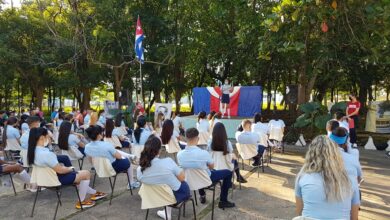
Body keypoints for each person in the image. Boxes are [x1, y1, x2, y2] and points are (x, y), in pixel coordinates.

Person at [28, 127, 106, 209]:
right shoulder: (46, 154)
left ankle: (94, 193)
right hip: (55, 180)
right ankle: (81, 202)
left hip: (43, 180)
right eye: (48, 137)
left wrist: (66, 169)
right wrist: (70, 168)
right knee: (86, 174)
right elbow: (61, 171)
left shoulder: (33, 151)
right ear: (42, 138)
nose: (50, 139)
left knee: (79, 175)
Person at [295, 135, 359, 219]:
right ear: (336, 154)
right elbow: (354, 218)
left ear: (310, 154)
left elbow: (300, 212)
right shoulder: (350, 180)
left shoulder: (302, 177)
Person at [178, 128, 235, 208]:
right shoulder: (203, 153)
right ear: (198, 138)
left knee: (200, 171)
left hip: (190, 182)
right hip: (206, 180)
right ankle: (223, 201)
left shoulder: (180, 155)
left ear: (186, 138)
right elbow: (212, 167)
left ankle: (202, 195)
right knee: (228, 172)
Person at [137, 135, 190, 220]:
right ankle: (167, 213)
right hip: (176, 196)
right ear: (159, 150)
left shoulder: (139, 170)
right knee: (173, 180)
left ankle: (167, 214)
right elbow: (182, 178)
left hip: (153, 197)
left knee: (166, 182)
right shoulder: (168, 162)